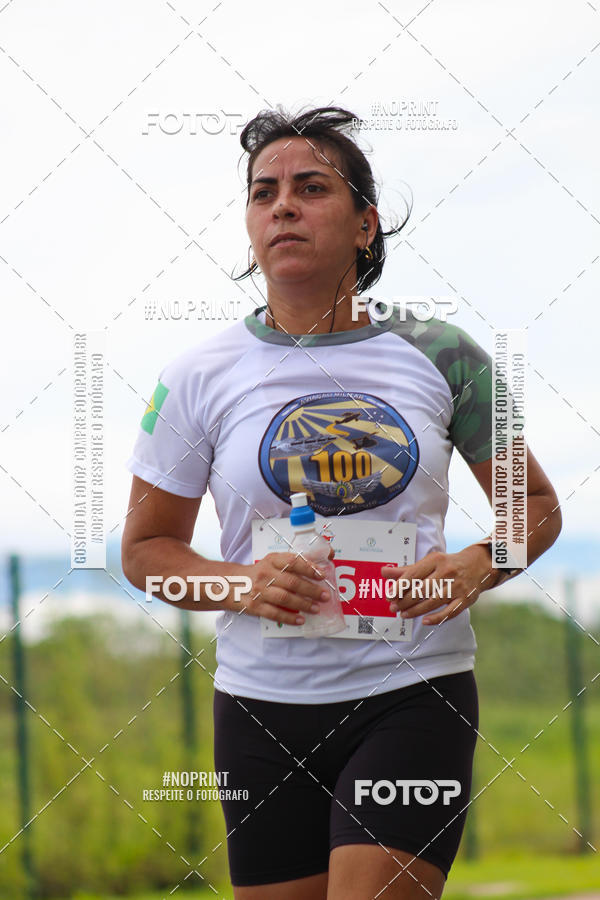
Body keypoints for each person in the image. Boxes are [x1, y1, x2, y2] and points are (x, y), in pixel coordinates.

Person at [121, 106, 562, 900]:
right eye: (264, 192)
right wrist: (238, 584)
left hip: (411, 692)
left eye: (310, 187)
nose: (282, 205)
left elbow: (533, 504)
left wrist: (477, 563)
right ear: (251, 224)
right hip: (258, 707)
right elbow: (147, 550)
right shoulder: (197, 375)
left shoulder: (444, 354)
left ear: (365, 225)